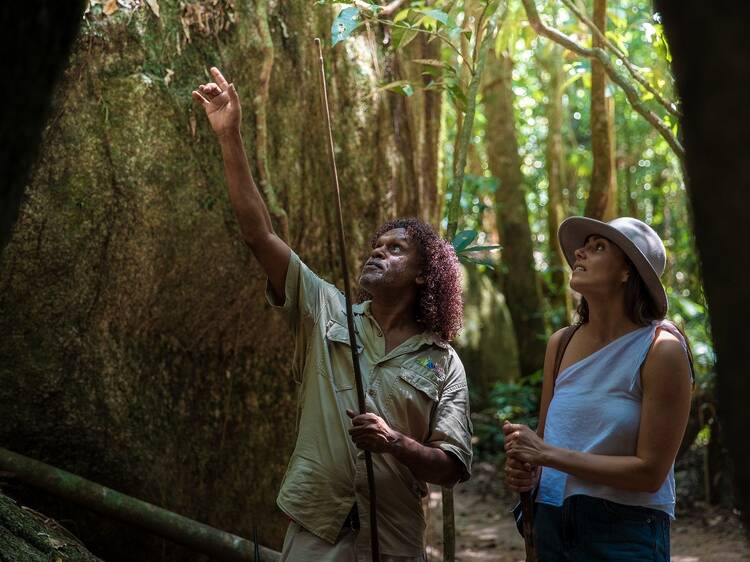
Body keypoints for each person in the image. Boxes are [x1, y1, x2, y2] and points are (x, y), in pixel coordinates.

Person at [192, 67, 472, 562]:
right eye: (375, 246)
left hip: (395, 538)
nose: (377, 253)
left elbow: (451, 465)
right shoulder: (325, 309)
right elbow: (260, 236)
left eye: (396, 249)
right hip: (319, 530)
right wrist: (229, 137)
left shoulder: (444, 362)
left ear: (426, 276)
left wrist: (395, 443)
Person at [503, 216, 693, 561]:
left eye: (598, 247)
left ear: (627, 272)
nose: (580, 252)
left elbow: (651, 472)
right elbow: (544, 447)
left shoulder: (660, 349)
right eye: (583, 246)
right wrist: (527, 468)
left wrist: (545, 454)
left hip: (623, 531)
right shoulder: (561, 343)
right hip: (551, 521)